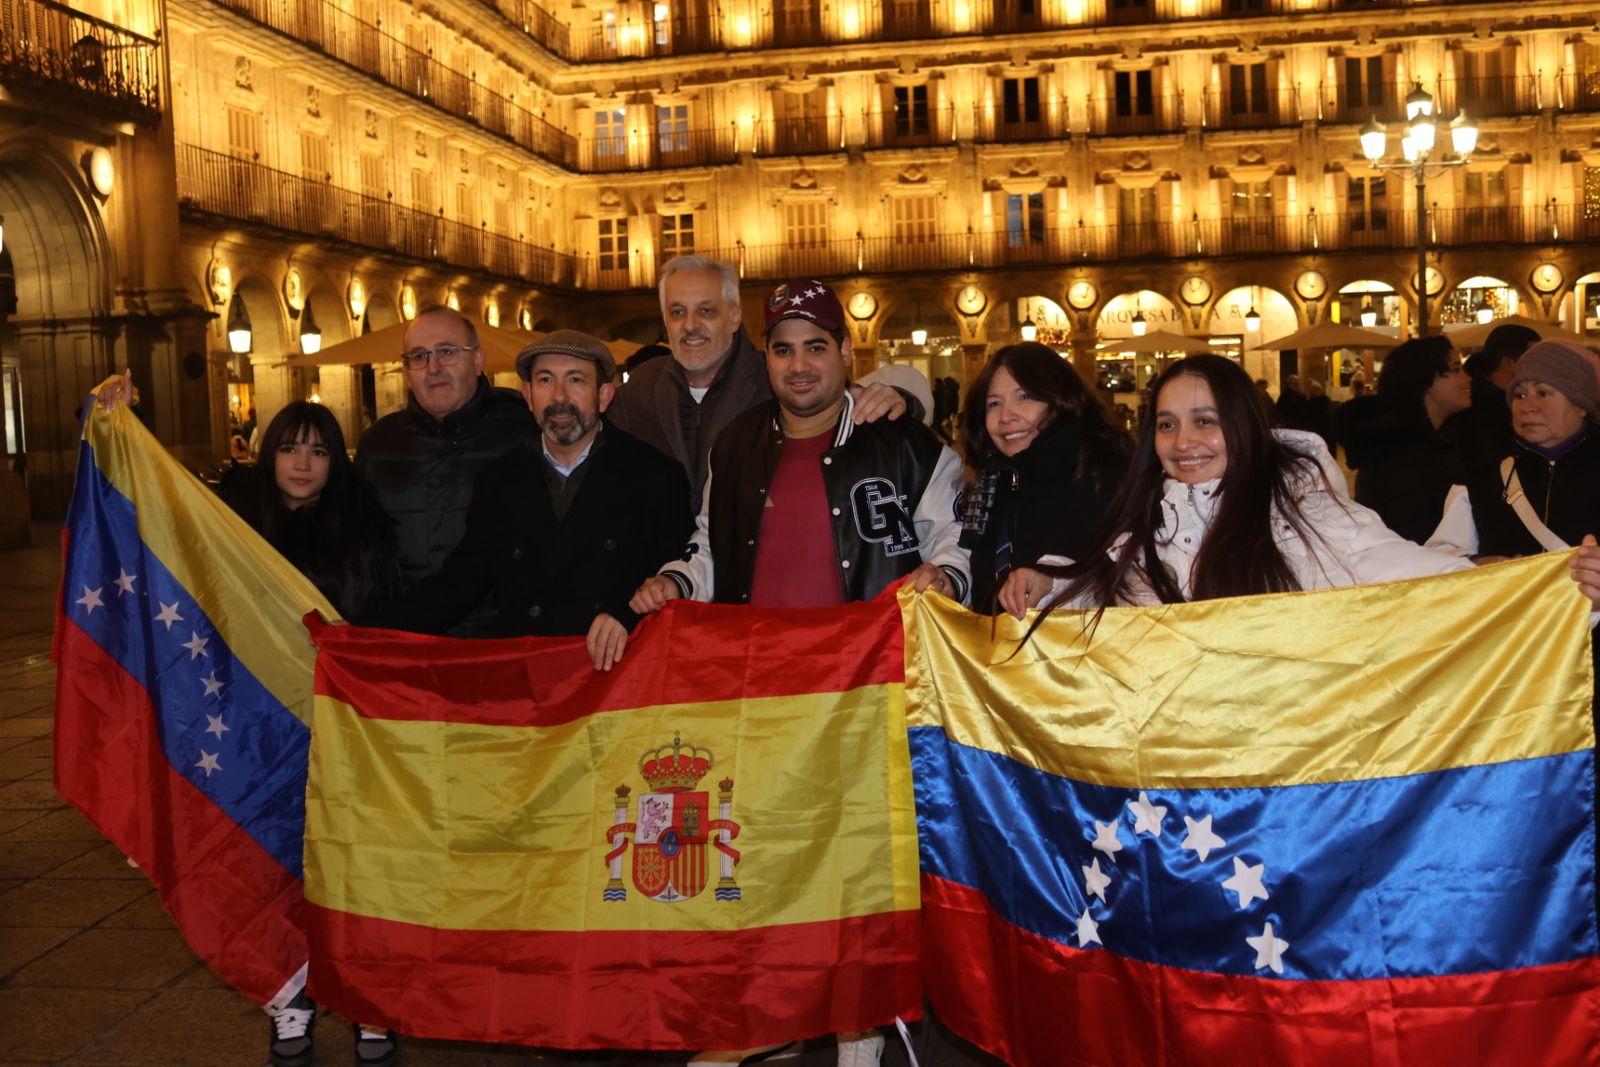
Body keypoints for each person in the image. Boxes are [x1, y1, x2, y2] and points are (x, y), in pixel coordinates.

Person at [629, 279, 968, 1067]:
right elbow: (711, 547)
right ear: (767, 360)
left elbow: (954, 540)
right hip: (762, 695)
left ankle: (859, 1037)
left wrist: (946, 578)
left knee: (858, 868)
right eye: (783, 348)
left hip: (866, 694)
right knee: (766, 860)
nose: (800, 364)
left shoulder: (909, 443)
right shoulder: (735, 442)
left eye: (817, 346)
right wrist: (677, 582)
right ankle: (764, 1021)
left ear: (849, 355)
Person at [92, 380, 400, 1067]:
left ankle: (366, 1003)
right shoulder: (231, 518)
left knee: (352, 861)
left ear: (335, 462)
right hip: (253, 728)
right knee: (266, 861)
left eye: (318, 451)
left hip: (340, 724)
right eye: (289, 447)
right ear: (268, 453)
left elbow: (380, 621)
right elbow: (164, 515)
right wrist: (116, 424)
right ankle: (288, 998)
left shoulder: (365, 527)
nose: (301, 462)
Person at [1000, 354, 1473, 617]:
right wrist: (1046, 580)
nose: (1184, 442)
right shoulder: (1151, 516)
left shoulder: (1306, 513)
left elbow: (1407, 571)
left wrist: (1514, 586)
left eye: (1205, 421)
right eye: (1167, 425)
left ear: (1243, 425)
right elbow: (1107, 587)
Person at [361, 331, 693, 670]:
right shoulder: (498, 481)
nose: (559, 396)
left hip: (617, 683)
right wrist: (363, 636)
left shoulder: (655, 477)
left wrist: (626, 615)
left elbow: (678, 583)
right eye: (545, 380)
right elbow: (458, 585)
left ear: (604, 396)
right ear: (528, 396)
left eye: (576, 380)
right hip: (527, 688)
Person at [606, 254, 909, 501]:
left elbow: (848, 397)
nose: (689, 325)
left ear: (735, 316)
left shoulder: (780, 381)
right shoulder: (640, 390)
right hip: (670, 571)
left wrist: (900, 396)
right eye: (676, 312)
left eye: (706, 311)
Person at [355, 305, 532, 635]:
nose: (433, 367)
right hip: (405, 638)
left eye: (447, 352)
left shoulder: (525, 431)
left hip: (504, 640)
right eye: (418, 356)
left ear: (478, 360)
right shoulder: (378, 444)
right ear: (406, 371)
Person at [959, 343, 1130, 615]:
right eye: (994, 403)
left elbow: (1123, 577)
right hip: (999, 649)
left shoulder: (1102, 473)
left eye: (1025, 397)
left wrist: (1056, 578)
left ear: (1061, 400)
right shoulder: (993, 478)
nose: (1006, 416)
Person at [1428, 340, 1600, 564]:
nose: (1528, 406)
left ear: (1581, 405)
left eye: (1543, 393)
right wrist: (1476, 564)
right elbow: (1438, 557)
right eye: (1519, 395)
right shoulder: (1481, 482)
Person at [1343, 336, 1471, 544]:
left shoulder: (1441, 441)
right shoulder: (1400, 456)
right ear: (1426, 381)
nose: (1467, 379)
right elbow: (1414, 536)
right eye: (1456, 370)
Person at [1445, 321, 1541, 471]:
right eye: (1535, 361)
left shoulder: (1498, 401)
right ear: (1509, 364)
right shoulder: (1474, 409)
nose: (1541, 370)